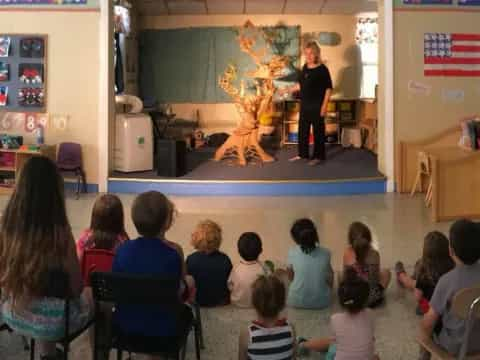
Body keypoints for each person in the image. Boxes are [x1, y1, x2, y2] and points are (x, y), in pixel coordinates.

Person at [0, 157, 92, 360]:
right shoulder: (60, 232)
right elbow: (75, 287)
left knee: (38, 294)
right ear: (55, 191)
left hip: (14, 314)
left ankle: (45, 353)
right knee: (89, 295)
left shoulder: (6, 225)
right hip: (55, 323)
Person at [112, 191, 193, 345]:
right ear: (166, 223)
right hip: (164, 330)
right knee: (189, 280)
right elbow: (179, 293)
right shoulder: (172, 255)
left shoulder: (122, 250)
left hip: (125, 327)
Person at [420, 219, 480, 359]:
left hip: (456, 347)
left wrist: (424, 331)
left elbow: (429, 323)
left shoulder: (447, 281)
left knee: (424, 326)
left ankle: (424, 356)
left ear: (451, 251)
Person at [298, 268, 379, 360]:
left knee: (331, 343)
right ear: (366, 300)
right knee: (376, 357)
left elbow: (335, 343)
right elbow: (372, 339)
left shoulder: (335, 319)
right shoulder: (371, 314)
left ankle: (303, 345)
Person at [280, 41, 333, 166]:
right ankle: (302, 154)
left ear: (316, 54)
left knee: (318, 131)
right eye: (306, 54)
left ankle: (318, 156)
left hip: (317, 106)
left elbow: (328, 89)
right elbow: (300, 85)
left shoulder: (322, 69)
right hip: (305, 105)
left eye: (311, 54)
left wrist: (324, 106)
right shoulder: (304, 68)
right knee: (303, 130)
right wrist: (286, 90)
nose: (308, 56)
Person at [395, 231, 455, 315]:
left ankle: (400, 273)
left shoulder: (423, 271)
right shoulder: (453, 265)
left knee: (412, 281)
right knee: (417, 278)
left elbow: (417, 297)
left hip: (430, 309)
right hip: (448, 307)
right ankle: (404, 274)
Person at [238, 275, 296, 360]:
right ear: (282, 305)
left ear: (254, 304)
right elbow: (293, 357)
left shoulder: (247, 334)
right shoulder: (290, 329)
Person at [287, 218, 333, 309]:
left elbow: (290, 277)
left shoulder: (291, 252)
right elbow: (330, 279)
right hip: (321, 302)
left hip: (296, 301)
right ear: (315, 234)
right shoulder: (326, 253)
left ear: (296, 239)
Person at [343, 222, 391, 308]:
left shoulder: (347, 253)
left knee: (340, 275)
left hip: (352, 300)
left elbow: (345, 277)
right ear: (369, 239)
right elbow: (376, 277)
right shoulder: (375, 254)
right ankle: (377, 294)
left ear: (350, 240)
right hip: (372, 301)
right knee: (386, 272)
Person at [186, 220, 232, 306]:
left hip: (198, 303)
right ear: (218, 239)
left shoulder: (191, 259)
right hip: (219, 303)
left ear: (197, 238)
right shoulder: (225, 260)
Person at [76, 194, 129, 261]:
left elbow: (78, 263)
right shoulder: (124, 243)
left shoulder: (84, 240)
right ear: (120, 218)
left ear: (94, 217)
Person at [228, 232, 266, 308]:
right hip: (258, 306)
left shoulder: (235, 268)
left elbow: (230, 286)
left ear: (239, 252)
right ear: (261, 250)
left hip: (237, 304)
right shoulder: (265, 268)